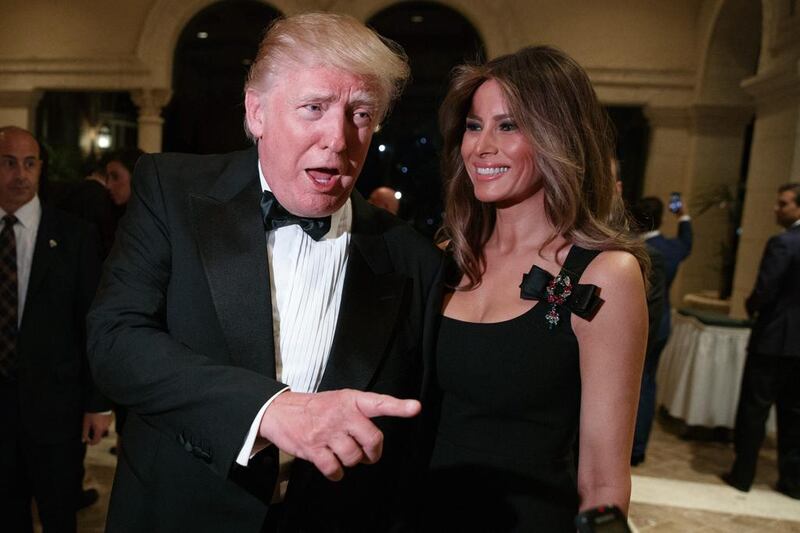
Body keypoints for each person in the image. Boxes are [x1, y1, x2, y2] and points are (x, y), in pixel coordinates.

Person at [87, 13, 442, 533]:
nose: (339, 139)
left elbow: (414, 452)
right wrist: (268, 410)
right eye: (313, 108)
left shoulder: (414, 262)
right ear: (257, 112)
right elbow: (114, 341)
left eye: (360, 114)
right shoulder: (171, 190)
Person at [426, 46, 649, 532]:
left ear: (559, 137)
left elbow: (604, 481)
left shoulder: (605, 275)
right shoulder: (447, 255)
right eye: (473, 125)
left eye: (508, 126)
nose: (481, 147)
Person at [0, 126, 111, 532]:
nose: (20, 174)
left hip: (56, 410)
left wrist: (98, 403)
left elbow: (93, 321)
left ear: (41, 168)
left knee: (59, 513)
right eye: (8, 163)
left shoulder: (73, 235)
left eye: (29, 163)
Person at [723, 182, 800, 499]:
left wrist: (751, 305)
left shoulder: (784, 243)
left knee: (755, 409)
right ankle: (793, 482)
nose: (776, 208)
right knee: (795, 414)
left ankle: (743, 475)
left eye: (783, 203)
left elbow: (766, 290)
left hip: (773, 340)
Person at [629, 196, 692, 465]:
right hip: (663, 322)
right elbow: (687, 245)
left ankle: (632, 447)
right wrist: (684, 217)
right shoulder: (671, 247)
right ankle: (638, 447)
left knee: (635, 385)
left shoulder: (633, 248)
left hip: (639, 324)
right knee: (647, 383)